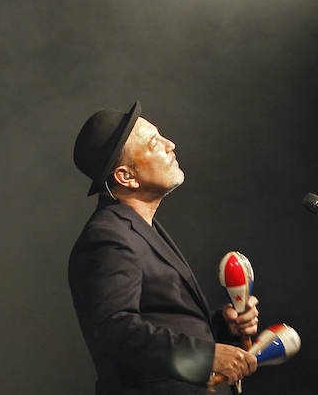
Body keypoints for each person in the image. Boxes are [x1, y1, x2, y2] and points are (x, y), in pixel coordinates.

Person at [69, 101, 259, 394]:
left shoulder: (140, 229)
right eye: (155, 143)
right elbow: (115, 329)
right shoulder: (107, 237)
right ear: (126, 177)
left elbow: (165, 323)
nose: (171, 144)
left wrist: (222, 329)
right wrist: (205, 357)